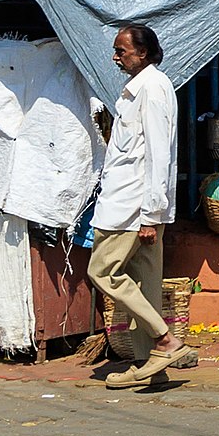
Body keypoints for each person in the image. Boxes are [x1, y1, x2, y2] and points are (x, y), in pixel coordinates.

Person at [91, 22, 198, 389]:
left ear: (144, 52)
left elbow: (159, 155)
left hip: (132, 208)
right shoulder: (138, 90)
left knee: (103, 272)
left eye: (122, 50)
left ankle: (165, 340)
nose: (116, 56)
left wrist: (151, 214)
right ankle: (151, 363)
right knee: (145, 285)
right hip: (135, 206)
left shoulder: (152, 89)